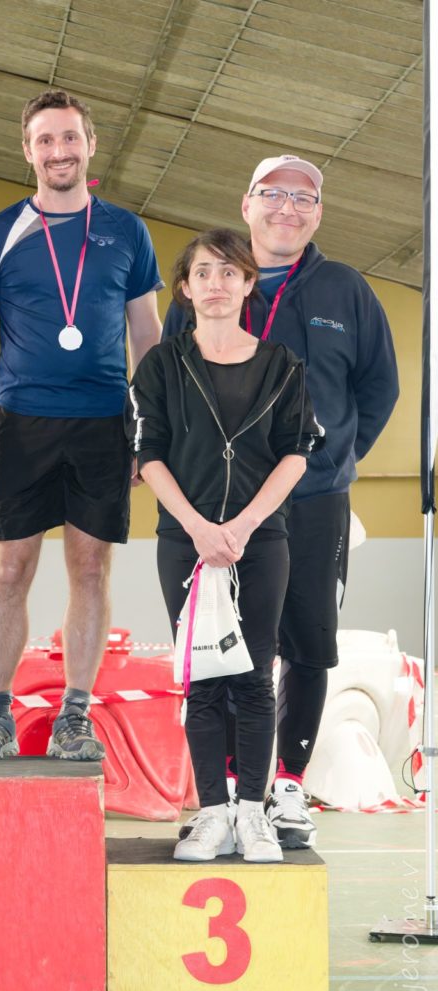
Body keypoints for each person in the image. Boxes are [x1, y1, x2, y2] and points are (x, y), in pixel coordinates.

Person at [163, 156, 399, 847]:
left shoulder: (346, 291)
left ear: (320, 213)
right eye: (274, 195)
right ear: (247, 203)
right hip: (223, 513)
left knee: (307, 644)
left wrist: (335, 458)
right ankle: (236, 793)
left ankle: (288, 788)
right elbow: (173, 384)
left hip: (314, 499)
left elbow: (378, 390)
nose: (288, 208)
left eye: (305, 198)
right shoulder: (213, 284)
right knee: (227, 646)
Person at [0, 89, 162, 761]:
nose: (58, 151)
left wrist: (146, 432)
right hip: (23, 423)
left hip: (103, 424)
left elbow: (148, 340)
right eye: (45, 141)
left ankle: (76, 714)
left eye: (69, 138)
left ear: (90, 144)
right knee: (11, 569)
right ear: (28, 151)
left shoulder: (127, 232)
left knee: (91, 570)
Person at [128, 228, 324, 862]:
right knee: (203, 680)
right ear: (185, 288)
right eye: (203, 273)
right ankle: (211, 811)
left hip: (260, 543)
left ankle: (252, 814)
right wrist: (198, 528)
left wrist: (240, 528)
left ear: (248, 284)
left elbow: (296, 454)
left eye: (229, 273)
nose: (216, 284)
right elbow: (148, 455)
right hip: (184, 540)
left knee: (254, 677)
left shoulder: (282, 366)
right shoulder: (162, 363)